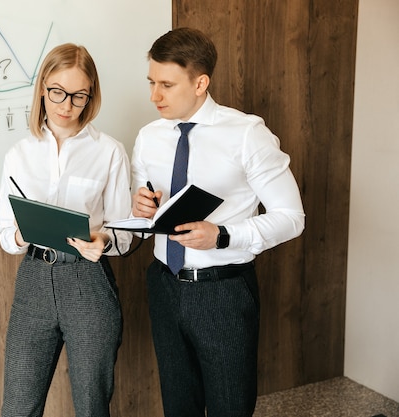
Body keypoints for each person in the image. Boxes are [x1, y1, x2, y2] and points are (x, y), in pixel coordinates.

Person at [131, 28, 305, 417]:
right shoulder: (148, 137)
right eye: (151, 83)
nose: (153, 96)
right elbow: (145, 208)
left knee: (230, 405)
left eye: (166, 84)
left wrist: (223, 236)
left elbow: (292, 218)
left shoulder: (247, 134)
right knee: (178, 405)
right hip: (163, 284)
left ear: (200, 83)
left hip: (223, 291)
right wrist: (141, 205)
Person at [0, 43, 132, 417]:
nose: (66, 104)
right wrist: (24, 232)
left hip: (87, 280)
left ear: (90, 97)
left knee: (92, 405)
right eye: (57, 91)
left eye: (78, 95)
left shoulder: (109, 152)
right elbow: (7, 235)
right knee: (18, 406)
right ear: (42, 88)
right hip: (34, 281)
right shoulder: (18, 155)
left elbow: (125, 233)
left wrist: (103, 240)